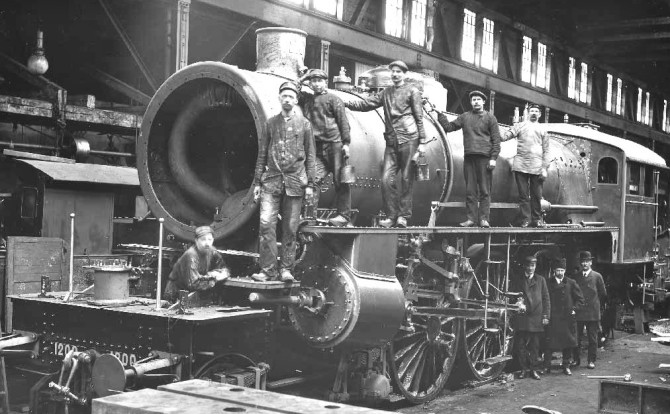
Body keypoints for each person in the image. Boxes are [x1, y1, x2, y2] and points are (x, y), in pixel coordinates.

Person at [345, 60, 427, 228]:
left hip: (409, 139)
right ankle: (391, 216)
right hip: (391, 142)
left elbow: (419, 117)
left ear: (404, 74)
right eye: (393, 71)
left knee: (406, 179)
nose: (395, 74)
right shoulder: (386, 93)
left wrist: (423, 142)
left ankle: (403, 216)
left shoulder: (412, 91)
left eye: (398, 71)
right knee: (385, 180)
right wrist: (345, 102)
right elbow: (366, 104)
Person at [252, 81, 316, 282]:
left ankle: (286, 269)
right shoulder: (270, 124)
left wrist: (311, 185)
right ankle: (268, 270)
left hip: (295, 182)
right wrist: (257, 183)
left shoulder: (305, 125)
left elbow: (311, 156)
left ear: (296, 101)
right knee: (266, 225)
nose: (287, 99)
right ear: (279, 99)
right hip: (271, 181)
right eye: (284, 96)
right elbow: (262, 154)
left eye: (291, 97)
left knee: (290, 228)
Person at [437, 90, 501, 228]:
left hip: (485, 159)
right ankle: (471, 219)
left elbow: (496, 140)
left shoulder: (491, 118)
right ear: (471, 102)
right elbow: (449, 127)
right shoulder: (465, 117)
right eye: (473, 100)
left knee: (485, 191)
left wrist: (493, 158)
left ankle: (484, 219)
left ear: (483, 101)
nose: (476, 102)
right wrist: (440, 115)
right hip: (469, 158)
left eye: (478, 99)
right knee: (470, 191)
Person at [300, 69, 352, 227]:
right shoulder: (307, 99)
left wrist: (346, 144)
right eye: (313, 81)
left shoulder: (334, 99)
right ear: (310, 83)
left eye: (319, 81)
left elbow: (344, 122)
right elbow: (293, 88)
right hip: (317, 147)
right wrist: (303, 77)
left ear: (325, 82)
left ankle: (344, 216)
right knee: (312, 180)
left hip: (334, 144)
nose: (316, 84)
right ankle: (309, 216)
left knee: (340, 180)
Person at [501, 103, 550, 227]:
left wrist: (544, 168)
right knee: (523, 196)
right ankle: (526, 220)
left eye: (536, 111)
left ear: (539, 114)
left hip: (537, 166)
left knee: (537, 196)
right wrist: (495, 132)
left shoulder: (543, 130)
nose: (534, 113)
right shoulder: (520, 126)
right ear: (528, 113)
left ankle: (537, 220)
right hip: (521, 165)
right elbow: (506, 136)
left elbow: (546, 150)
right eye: (532, 111)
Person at [164, 226, 230, 302]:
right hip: (177, 294)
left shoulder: (212, 251)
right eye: (203, 239)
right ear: (196, 240)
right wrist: (214, 279)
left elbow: (224, 268)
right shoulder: (191, 255)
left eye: (209, 239)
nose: (207, 243)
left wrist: (220, 273)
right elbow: (193, 284)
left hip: (195, 293)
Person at [543, 257, 584, 376]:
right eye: (558, 270)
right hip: (553, 318)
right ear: (554, 271)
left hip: (567, 318)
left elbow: (580, 300)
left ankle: (566, 366)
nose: (560, 273)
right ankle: (546, 366)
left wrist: (574, 309)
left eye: (562, 270)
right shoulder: (547, 283)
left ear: (565, 271)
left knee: (568, 343)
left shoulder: (571, 283)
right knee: (549, 344)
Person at [511, 255, 550, 380]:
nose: (530, 268)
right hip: (522, 317)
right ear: (524, 266)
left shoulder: (541, 280)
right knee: (520, 346)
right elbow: (512, 296)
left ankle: (534, 370)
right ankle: (524, 369)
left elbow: (546, 299)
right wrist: (516, 303)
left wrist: (546, 316)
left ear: (535, 266)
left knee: (535, 347)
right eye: (528, 266)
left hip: (536, 317)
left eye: (532, 266)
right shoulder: (518, 279)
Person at [572, 251, 607, 369]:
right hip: (579, 312)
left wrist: (595, 305)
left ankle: (591, 360)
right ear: (580, 263)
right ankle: (576, 360)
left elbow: (603, 294)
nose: (585, 264)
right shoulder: (576, 277)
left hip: (592, 312)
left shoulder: (597, 276)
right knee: (576, 337)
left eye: (587, 261)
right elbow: (573, 293)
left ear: (591, 262)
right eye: (583, 261)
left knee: (592, 338)